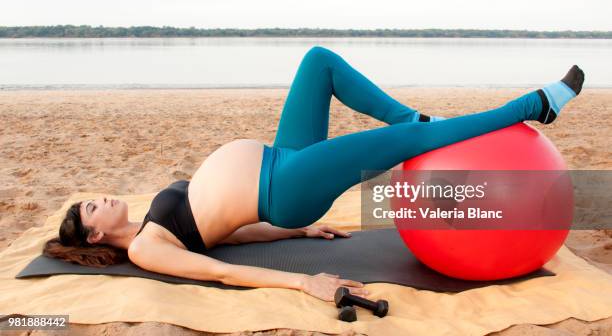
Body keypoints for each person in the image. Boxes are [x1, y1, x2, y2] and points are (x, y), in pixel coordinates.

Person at [44, 46, 584, 302]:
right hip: (285, 186)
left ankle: (409, 116)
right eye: (93, 206)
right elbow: (221, 271)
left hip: (283, 158)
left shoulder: (148, 225)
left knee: (318, 61)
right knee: (409, 143)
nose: (102, 198)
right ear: (95, 234)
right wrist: (305, 281)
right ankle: (535, 106)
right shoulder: (144, 250)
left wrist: (297, 233)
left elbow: (228, 232)